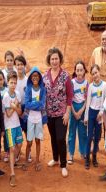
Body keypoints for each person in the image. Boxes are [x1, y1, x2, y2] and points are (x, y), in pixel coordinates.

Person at [43, 47, 73, 178]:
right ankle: (55, 158)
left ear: (60, 60)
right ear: (49, 61)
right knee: (53, 138)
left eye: (56, 58)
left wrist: (67, 113)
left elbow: (70, 96)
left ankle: (63, 164)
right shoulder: (45, 76)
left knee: (61, 138)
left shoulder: (66, 76)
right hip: (49, 114)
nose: (54, 61)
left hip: (62, 114)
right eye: (52, 59)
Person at [84, 64, 106, 169]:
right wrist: (86, 117)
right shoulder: (90, 86)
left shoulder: (105, 85)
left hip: (99, 114)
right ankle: (87, 159)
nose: (95, 75)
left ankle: (94, 157)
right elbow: (88, 102)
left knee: (97, 137)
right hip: (91, 113)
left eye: (96, 72)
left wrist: (101, 112)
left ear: (99, 72)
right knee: (89, 137)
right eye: (93, 73)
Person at [23, 66, 47, 171]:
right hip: (30, 119)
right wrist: (36, 104)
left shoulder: (42, 89)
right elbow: (27, 104)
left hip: (39, 119)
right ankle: (25, 161)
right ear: (30, 78)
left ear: (39, 77)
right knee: (29, 142)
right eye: (33, 76)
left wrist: (34, 104)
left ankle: (37, 161)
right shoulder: (28, 88)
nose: (35, 78)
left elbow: (42, 105)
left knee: (37, 140)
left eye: (37, 76)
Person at [2, 71, 23, 187]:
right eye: (11, 82)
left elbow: (20, 112)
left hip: (17, 125)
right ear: (7, 83)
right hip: (9, 127)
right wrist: (14, 106)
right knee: (12, 148)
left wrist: (15, 106)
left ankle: (13, 162)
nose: (13, 85)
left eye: (15, 83)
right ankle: (12, 173)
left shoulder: (18, 94)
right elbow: (8, 114)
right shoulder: (5, 96)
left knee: (19, 145)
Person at [68, 60, 88, 165]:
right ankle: (71, 154)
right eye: (77, 70)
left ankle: (83, 152)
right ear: (75, 71)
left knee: (83, 132)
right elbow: (69, 99)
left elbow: (87, 99)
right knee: (72, 131)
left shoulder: (86, 83)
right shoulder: (72, 82)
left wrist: (81, 110)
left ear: (84, 71)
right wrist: (74, 112)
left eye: (81, 70)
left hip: (82, 109)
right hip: (73, 108)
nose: (79, 72)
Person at [14, 55, 30, 162]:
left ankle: (28, 154)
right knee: (16, 133)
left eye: (21, 64)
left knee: (27, 133)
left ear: (24, 66)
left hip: (26, 108)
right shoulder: (13, 80)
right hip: (16, 109)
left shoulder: (28, 80)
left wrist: (25, 111)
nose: (19, 66)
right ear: (15, 66)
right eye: (17, 64)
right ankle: (17, 153)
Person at [0, 69, 9, 162]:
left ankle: (7, 152)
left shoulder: (7, 90)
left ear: (4, 79)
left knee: (6, 136)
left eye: (1, 79)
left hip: (6, 117)